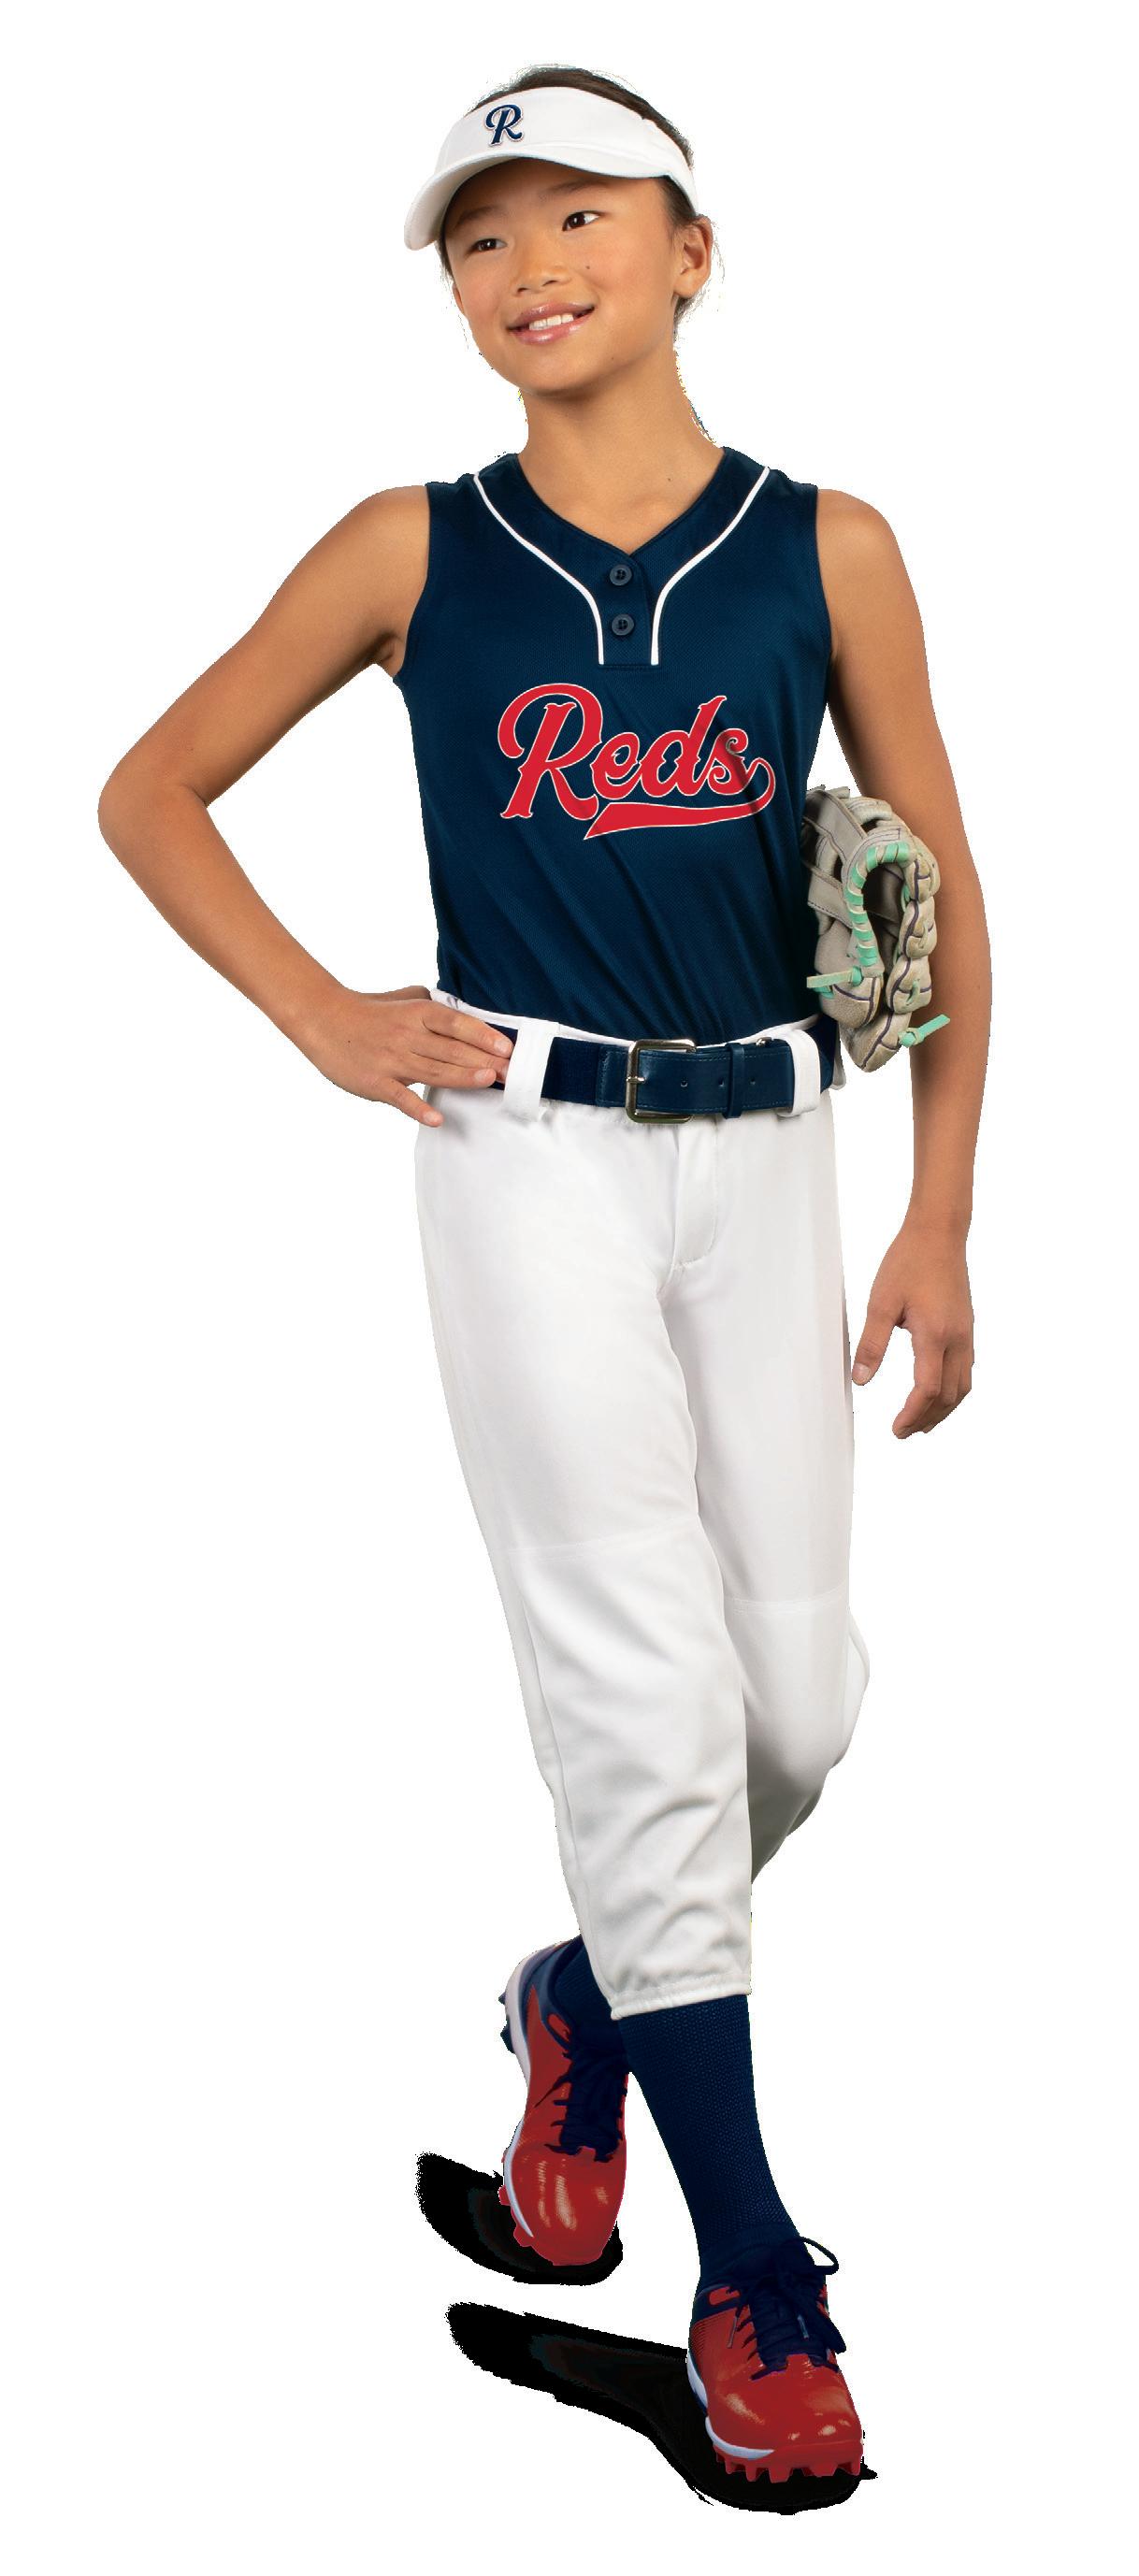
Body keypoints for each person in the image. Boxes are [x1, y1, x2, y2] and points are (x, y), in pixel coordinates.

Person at [97, 64, 989, 2488]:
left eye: (577, 214)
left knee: (791, 1713)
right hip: (528, 1153)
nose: (528, 268)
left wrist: (937, 1204)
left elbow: (934, 882)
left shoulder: (828, 546)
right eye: (478, 237)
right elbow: (149, 788)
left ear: (688, 249)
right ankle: (753, 2279)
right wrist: (320, 1012)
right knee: (641, 1702)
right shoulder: (414, 546)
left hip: (772, 1148)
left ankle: (581, 1996)